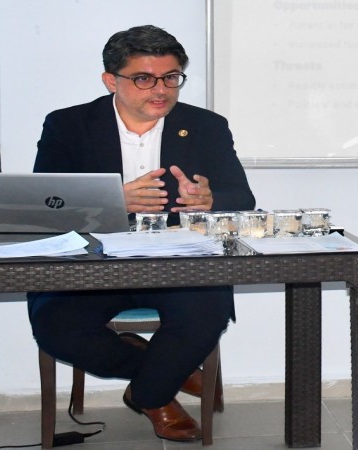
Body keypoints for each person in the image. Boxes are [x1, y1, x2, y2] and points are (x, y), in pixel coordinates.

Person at [27, 25, 255, 442]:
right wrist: (113, 201)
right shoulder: (69, 125)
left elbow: (241, 198)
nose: (161, 90)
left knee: (208, 310)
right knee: (57, 326)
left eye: (171, 77)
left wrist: (210, 200)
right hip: (91, 265)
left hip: (178, 263)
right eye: (144, 78)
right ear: (111, 80)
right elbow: (45, 205)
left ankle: (150, 394)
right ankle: (164, 377)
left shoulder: (206, 126)